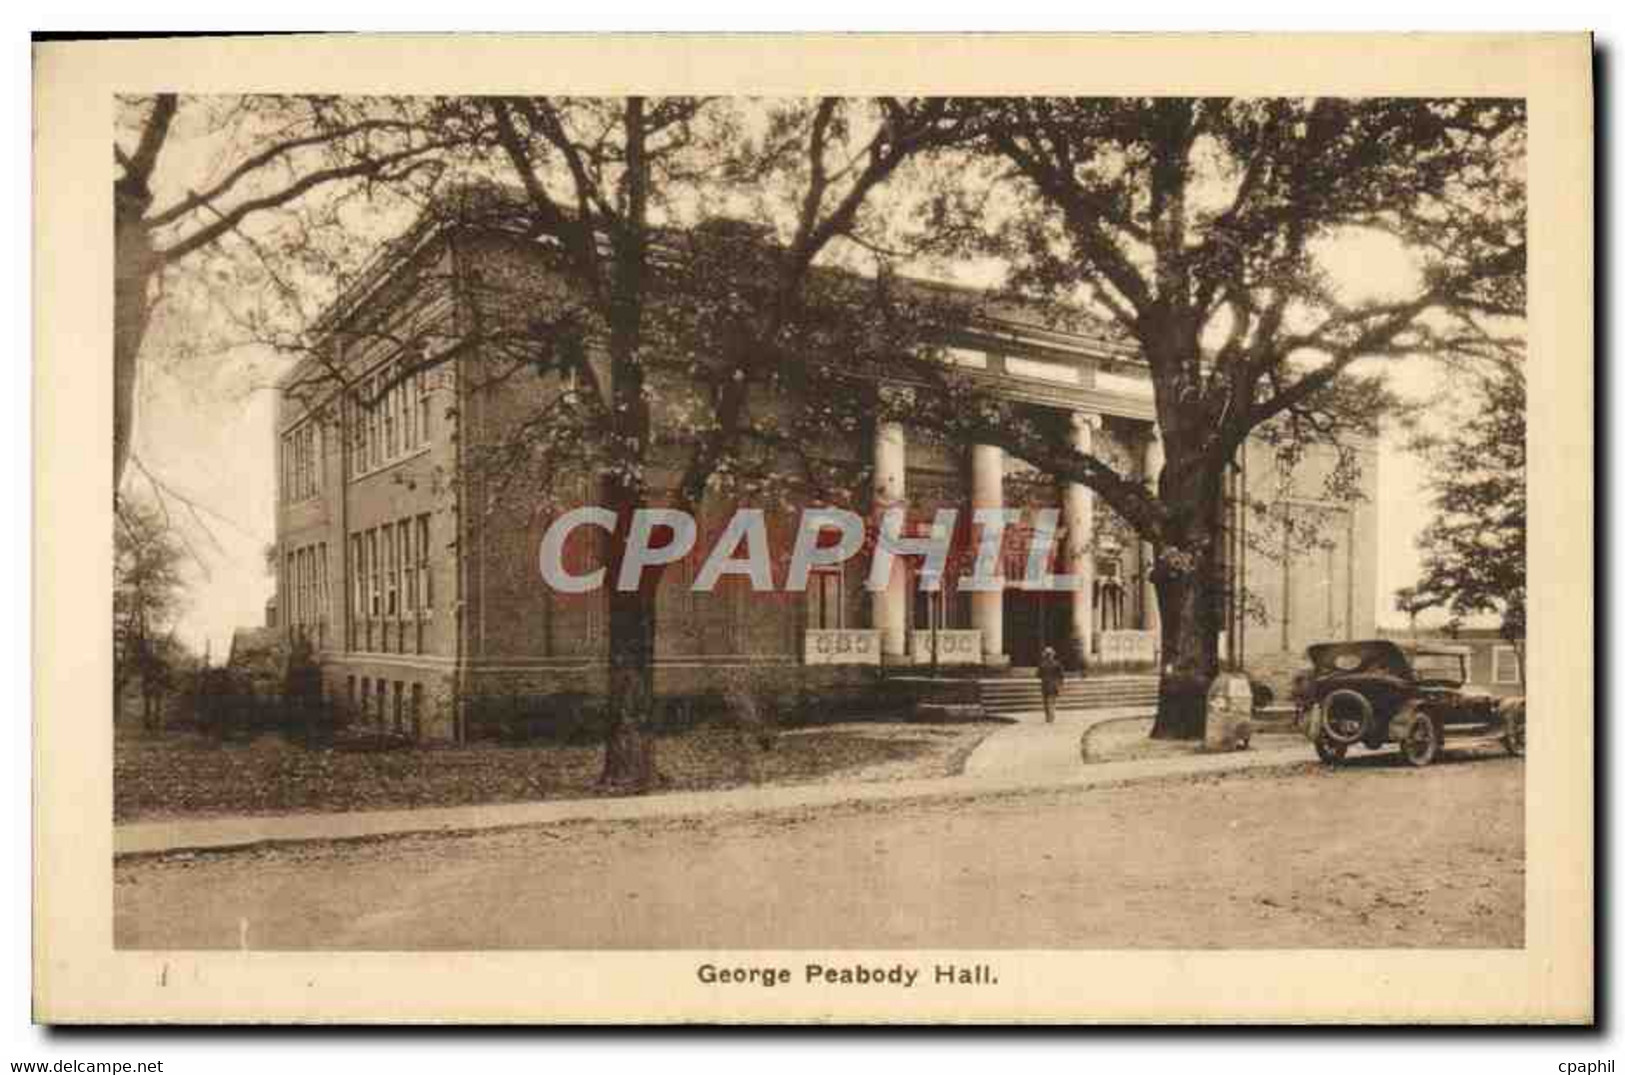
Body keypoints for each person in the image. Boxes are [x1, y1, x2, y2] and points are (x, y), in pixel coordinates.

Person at [1037, 646, 1065, 724]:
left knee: (1045, 702)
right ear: (1052, 655)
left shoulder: (1042, 664)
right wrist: (1060, 684)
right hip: (1054, 685)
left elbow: (1038, 675)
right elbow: (1061, 675)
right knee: (1052, 701)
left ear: (1045, 655)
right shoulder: (1057, 664)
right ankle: (1051, 717)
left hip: (1044, 685)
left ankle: (1048, 717)